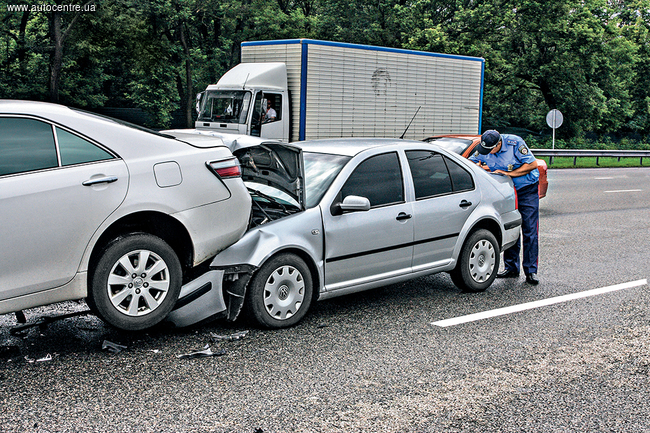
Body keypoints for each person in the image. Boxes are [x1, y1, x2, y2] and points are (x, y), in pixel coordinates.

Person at [469, 130, 540, 285]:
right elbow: (470, 162)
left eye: (491, 151)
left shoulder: (514, 143)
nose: (487, 154)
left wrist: (509, 173)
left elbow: (532, 164)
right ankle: (511, 268)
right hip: (507, 192)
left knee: (530, 230)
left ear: (499, 144)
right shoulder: (485, 148)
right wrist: (481, 168)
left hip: (526, 189)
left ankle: (531, 271)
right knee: (510, 226)